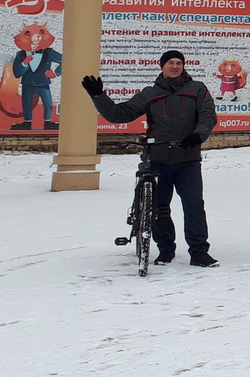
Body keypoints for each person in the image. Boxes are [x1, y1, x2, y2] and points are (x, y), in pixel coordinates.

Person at [82, 50, 219, 267]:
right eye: (170, 63)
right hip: (158, 159)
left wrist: (198, 135)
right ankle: (165, 249)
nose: (175, 66)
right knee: (159, 207)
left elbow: (208, 115)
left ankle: (199, 251)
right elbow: (121, 114)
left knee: (194, 206)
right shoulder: (150, 93)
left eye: (179, 63)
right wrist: (99, 96)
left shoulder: (197, 89)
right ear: (162, 66)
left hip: (188, 160)